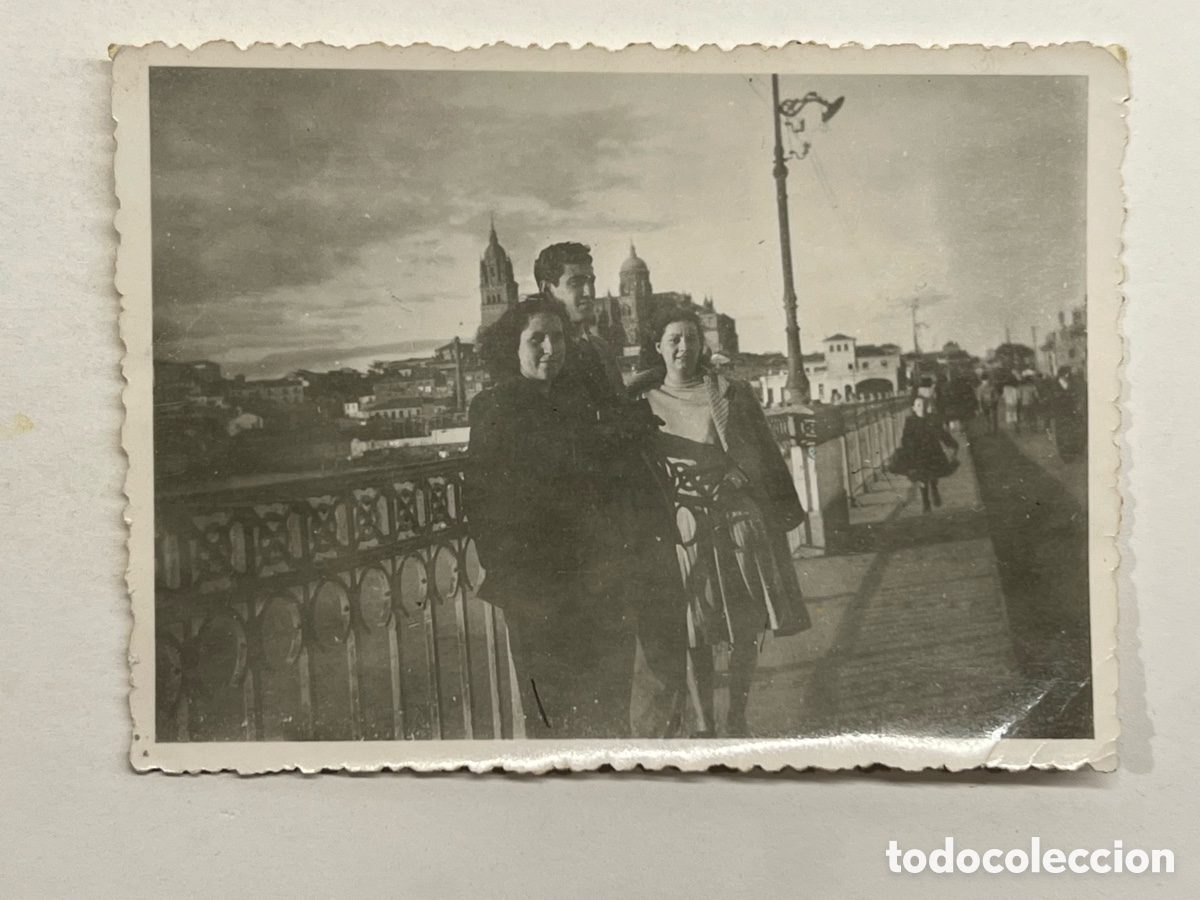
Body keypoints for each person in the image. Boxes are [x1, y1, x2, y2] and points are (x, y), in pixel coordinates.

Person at [533, 241, 691, 737]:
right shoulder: (547, 353)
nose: (588, 290)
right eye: (575, 282)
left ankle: (658, 750)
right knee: (622, 658)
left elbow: (612, 410)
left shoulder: (597, 346)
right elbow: (573, 435)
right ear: (548, 290)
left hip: (636, 513)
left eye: (590, 279)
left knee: (659, 648)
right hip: (602, 526)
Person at [466, 296, 639, 738]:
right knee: (550, 711)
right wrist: (515, 577)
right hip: (536, 590)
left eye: (557, 337)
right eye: (536, 338)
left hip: (595, 581)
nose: (549, 348)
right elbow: (482, 502)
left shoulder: (578, 400)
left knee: (605, 703)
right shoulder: (494, 408)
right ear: (513, 345)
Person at [634, 307, 811, 737]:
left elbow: (762, 452)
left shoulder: (730, 392)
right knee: (696, 629)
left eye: (691, 339)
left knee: (746, 624)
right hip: (685, 526)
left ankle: (737, 717)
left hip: (735, 520)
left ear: (702, 344)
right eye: (674, 338)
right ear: (658, 345)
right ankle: (703, 721)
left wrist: (740, 473)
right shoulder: (640, 400)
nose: (683, 347)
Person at [895, 395, 959, 513]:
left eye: (924, 404)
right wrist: (908, 450)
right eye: (918, 405)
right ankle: (925, 501)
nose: (921, 407)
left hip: (933, 451)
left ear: (927, 406)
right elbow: (906, 438)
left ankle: (934, 488)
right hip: (918, 454)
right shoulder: (910, 421)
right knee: (922, 477)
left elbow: (942, 434)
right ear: (913, 408)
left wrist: (953, 444)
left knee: (933, 475)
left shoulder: (932, 419)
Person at [1048, 366, 1087, 462]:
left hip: (1071, 412)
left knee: (1071, 433)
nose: (1068, 375)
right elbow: (1052, 399)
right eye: (1067, 373)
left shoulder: (1071, 383)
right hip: (1060, 413)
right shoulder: (1054, 384)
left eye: (1069, 373)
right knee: (1062, 434)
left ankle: (1073, 451)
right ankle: (1065, 455)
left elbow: (1076, 395)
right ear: (1063, 374)